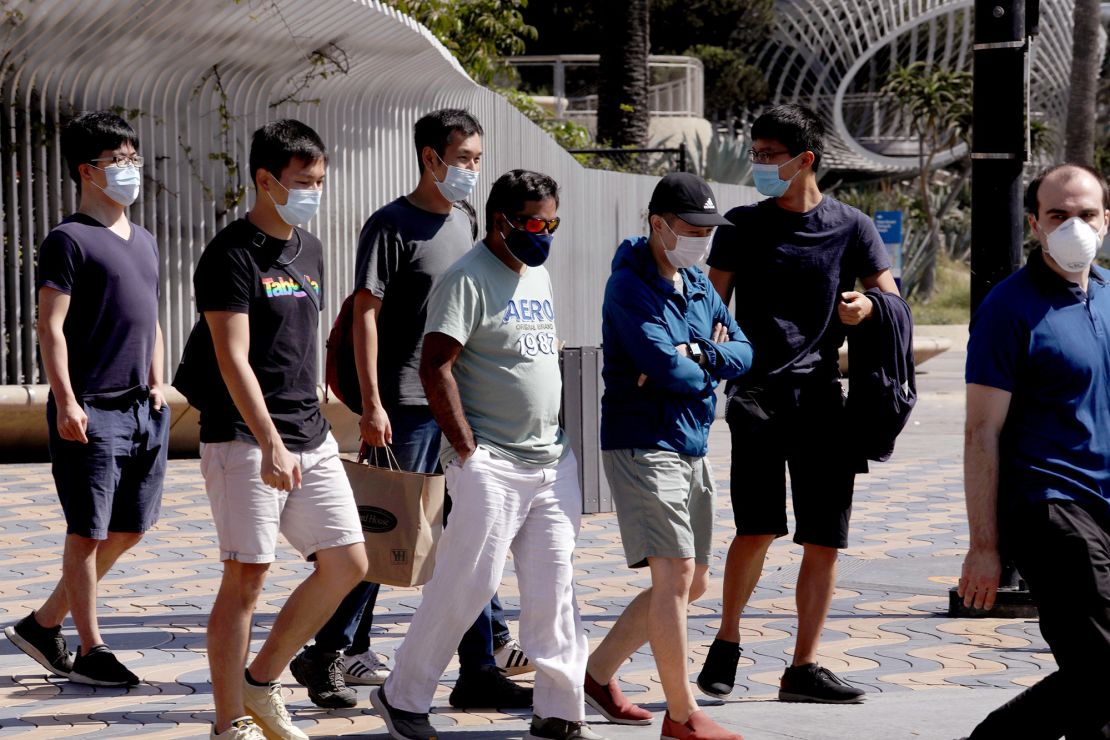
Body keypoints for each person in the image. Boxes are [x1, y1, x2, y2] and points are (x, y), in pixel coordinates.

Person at [291, 108, 532, 711]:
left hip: (455, 406)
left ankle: (477, 668)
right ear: (432, 158)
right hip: (403, 407)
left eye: (478, 158)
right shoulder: (390, 226)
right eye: (465, 158)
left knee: (468, 535)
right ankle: (328, 652)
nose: (473, 169)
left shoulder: (467, 219)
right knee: (385, 534)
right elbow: (365, 313)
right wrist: (372, 405)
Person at [371, 170, 605, 740]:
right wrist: (466, 450)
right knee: (466, 584)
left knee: (554, 591)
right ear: (500, 221)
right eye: (532, 222)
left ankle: (558, 710)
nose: (544, 232)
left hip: (552, 462)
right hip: (491, 463)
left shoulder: (538, 274)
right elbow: (435, 366)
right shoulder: (466, 279)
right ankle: (403, 695)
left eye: (552, 222)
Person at [698, 104, 897, 703]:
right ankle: (727, 640)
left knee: (823, 538)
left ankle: (803, 667)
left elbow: (890, 300)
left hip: (822, 402)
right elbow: (709, 306)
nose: (757, 164)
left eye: (767, 156)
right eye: (755, 153)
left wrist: (866, 307)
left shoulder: (852, 227)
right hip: (756, 398)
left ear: (804, 160)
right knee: (756, 529)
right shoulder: (740, 225)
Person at [187, 120, 368, 740]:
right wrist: (268, 440)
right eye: (302, 181)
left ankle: (260, 682)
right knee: (247, 577)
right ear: (265, 180)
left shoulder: (311, 248)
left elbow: (301, 342)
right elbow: (232, 357)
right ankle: (228, 719)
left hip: (311, 433)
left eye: (319, 180)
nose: (314, 190)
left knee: (347, 562)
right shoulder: (230, 254)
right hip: (244, 437)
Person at [3, 111, 169, 688]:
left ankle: (44, 623)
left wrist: (158, 379)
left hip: (144, 408)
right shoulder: (68, 239)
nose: (130, 170)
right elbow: (50, 327)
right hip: (92, 407)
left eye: (133, 158)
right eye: (117, 161)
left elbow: (150, 316)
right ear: (87, 172)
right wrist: (67, 401)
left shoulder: (143, 239)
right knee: (88, 528)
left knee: (131, 527)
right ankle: (91, 648)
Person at [585, 173, 752, 740]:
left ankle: (597, 673)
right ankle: (681, 716)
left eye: (709, 228)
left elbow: (743, 350)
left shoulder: (699, 284)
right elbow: (665, 368)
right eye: (692, 227)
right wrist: (699, 362)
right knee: (676, 574)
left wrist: (698, 351)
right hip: (643, 441)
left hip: (692, 440)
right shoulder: (629, 288)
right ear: (657, 224)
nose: (703, 238)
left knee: (692, 580)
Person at [958, 163, 1110, 739]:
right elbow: (980, 432)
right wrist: (984, 547)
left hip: (1104, 502)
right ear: (1035, 224)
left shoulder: (1108, 293)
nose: (1075, 226)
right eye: (1058, 215)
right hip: (1049, 507)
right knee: (1101, 663)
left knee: (1095, 687)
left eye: (1086, 214)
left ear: (1107, 220)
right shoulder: (1009, 307)